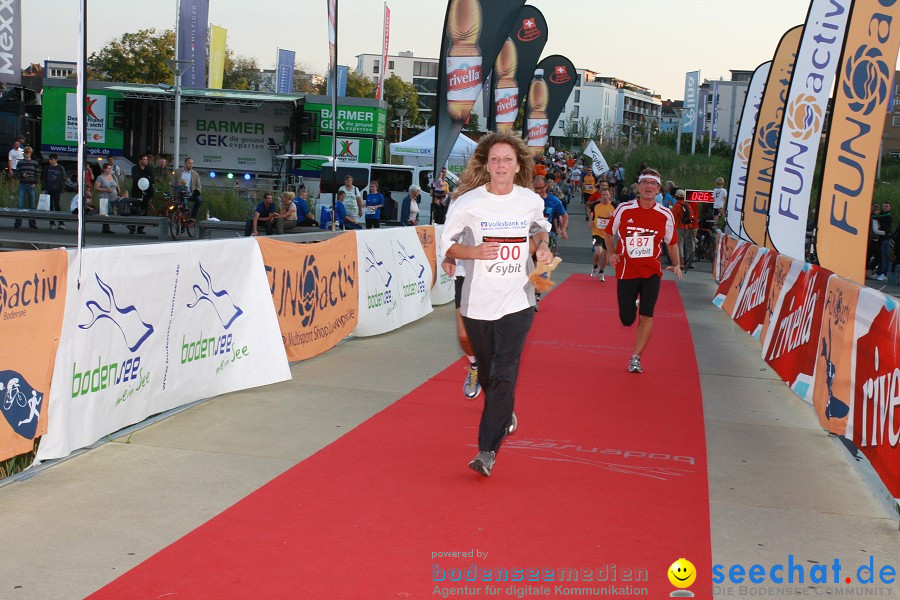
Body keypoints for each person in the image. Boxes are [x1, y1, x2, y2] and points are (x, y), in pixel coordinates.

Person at [441, 131, 552, 478]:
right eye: (495, 160)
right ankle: (503, 412)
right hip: (478, 302)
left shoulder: (529, 199)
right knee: (490, 374)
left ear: (518, 165)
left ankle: (487, 450)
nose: (501, 165)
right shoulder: (467, 203)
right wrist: (472, 252)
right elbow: (446, 246)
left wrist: (544, 245)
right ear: (486, 165)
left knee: (505, 372)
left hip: (518, 299)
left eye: (507, 159)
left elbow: (539, 229)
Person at [604, 168, 682, 374]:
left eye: (653, 184)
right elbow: (608, 233)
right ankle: (633, 303)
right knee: (627, 319)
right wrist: (611, 253)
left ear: (658, 189)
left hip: (651, 272)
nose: (649, 186)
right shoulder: (623, 209)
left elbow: (672, 243)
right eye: (645, 183)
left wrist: (676, 264)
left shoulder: (665, 214)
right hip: (626, 271)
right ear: (638, 187)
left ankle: (636, 357)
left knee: (647, 315)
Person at [589, 188, 615, 281]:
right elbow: (592, 213)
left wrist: (612, 216)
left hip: (608, 235)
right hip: (597, 233)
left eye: (606, 195)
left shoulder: (614, 206)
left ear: (609, 196)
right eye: (603, 195)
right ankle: (595, 267)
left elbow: (618, 220)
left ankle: (601, 272)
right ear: (600, 196)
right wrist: (591, 221)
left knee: (605, 257)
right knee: (598, 252)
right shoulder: (596, 205)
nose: (604, 197)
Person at [13, 146, 39, 229]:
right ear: (24, 153)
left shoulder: (34, 163)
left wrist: (35, 183)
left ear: (30, 153)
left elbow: (37, 174)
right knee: (20, 204)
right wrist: (22, 175)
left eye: (28, 153)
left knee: (32, 205)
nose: (27, 154)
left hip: (31, 185)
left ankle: (32, 223)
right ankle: (18, 222)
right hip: (23, 185)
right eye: (26, 153)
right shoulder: (20, 163)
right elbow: (16, 174)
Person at [130, 154, 155, 234]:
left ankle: (141, 228)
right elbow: (136, 178)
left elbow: (152, 179)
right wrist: (146, 178)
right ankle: (132, 227)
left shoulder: (149, 168)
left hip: (146, 191)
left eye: (146, 159)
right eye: (144, 159)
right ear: (140, 160)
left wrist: (146, 179)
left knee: (144, 209)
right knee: (135, 209)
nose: (146, 161)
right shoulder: (135, 168)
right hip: (136, 191)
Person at [672, 189, 697, 269]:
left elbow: (673, 217)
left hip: (679, 226)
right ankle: (690, 262)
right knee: (689, 244)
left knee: (679, 244)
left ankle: (681, 263)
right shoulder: (687, 205)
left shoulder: (677, 206)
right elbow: (692, 215)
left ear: (676, 196)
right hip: (687, 226)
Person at [94, 161, 120, 234]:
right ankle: (106, 227)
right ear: (104, 169)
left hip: (114, 197)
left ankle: (106, 227)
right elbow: (96, 188)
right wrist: (106, 190)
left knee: (119, 208)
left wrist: (119, 191)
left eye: (110, 168)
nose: (109, 170)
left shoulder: (113, 176)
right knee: (109, 212)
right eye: (108, 168)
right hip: (105, 198)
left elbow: (117, 185)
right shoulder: (100, 178)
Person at [42, 153, 67, 230]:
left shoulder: (60, 168)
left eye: (52, 159)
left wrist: (61, 188)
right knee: (50, 206)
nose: (50, 161)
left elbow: (64, 179)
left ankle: (61, 223)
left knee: (57, 206)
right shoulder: (47, 168)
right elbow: (44, 179)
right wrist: (44, 188)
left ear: (56, 160)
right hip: (49, 189)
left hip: (57, 190)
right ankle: (52, 223)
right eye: (49, 159)